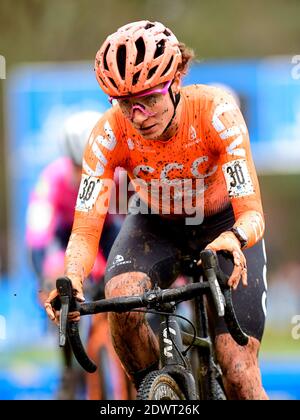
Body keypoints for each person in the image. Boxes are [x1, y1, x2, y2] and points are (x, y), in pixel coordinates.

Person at [45, 21, 268, 400]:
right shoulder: (108, 133)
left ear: (177, 79)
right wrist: (73, 277)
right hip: (155, 224)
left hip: (223, 225)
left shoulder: (217, 113)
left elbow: (252, 213)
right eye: (124, 103)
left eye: (149, 98)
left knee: (238, 374)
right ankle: (158, 395)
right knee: (120, 298)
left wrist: (235, 237)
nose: (139, 115)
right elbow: (84, 230)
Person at [26, 110, 127, 399]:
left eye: (92, 167)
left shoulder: (118, 178)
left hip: (104, 233)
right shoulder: (51, 181)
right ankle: (68, 368)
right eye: (77, 168)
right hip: (64, 236)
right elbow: (37, 239)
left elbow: (129, 224)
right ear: (67, 162)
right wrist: (43, 282)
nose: (86, 175)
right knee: (56, 283)